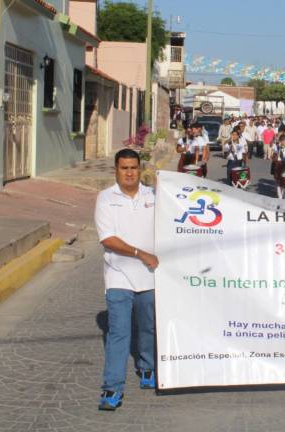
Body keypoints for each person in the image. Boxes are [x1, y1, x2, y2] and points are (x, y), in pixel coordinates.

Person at [94, 148, 159, 411]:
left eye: (134, 167)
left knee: (147, 328)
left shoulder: (154, 195)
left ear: (140, 169)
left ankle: (146, 367)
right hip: (118, 274)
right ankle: (112, 389)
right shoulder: (106, 198)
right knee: (119, 332)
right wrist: (139, 253)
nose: (129, 173)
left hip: (151, 275)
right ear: (116, 170)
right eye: (124, 168)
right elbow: (107, 238)